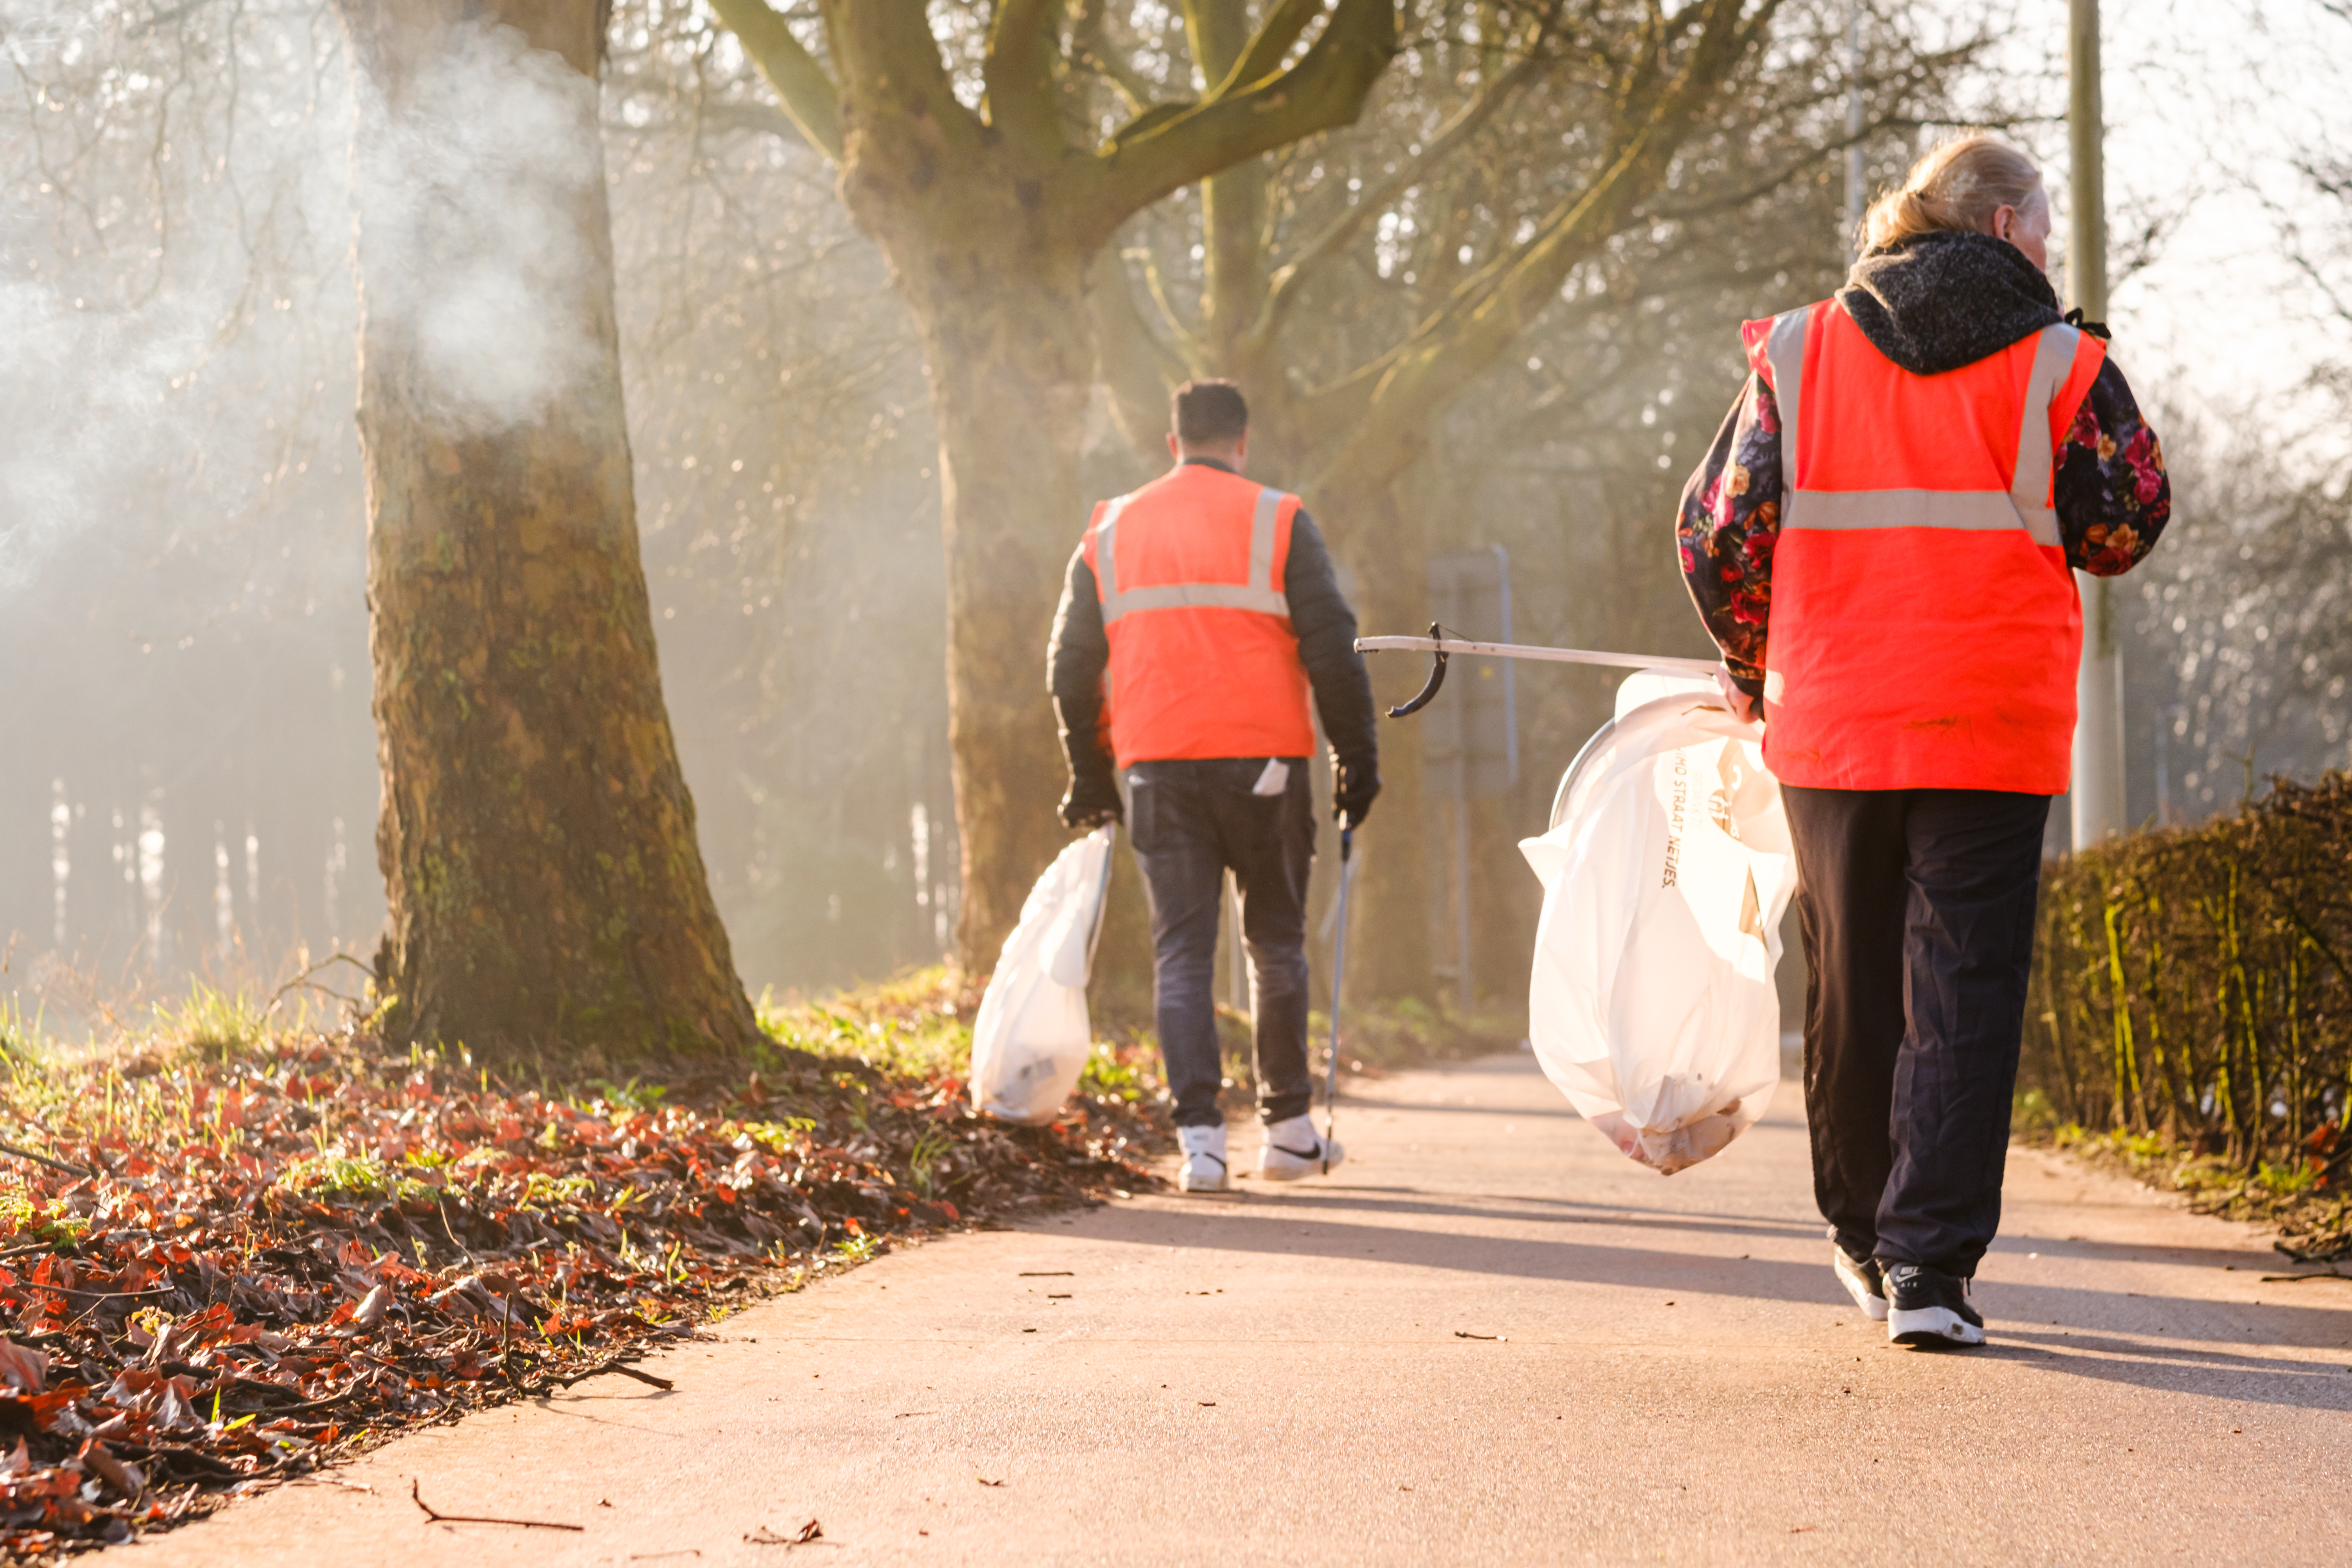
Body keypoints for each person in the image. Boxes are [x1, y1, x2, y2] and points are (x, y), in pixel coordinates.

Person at [1677, 135, 2170, 1347]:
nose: (2051, 250)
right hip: (1989, 717)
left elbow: (1715, 533)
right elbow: (2127, 521)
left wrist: (1755, 664)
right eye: (2044, 228)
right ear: (2005, 229)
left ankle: (1854, 1226)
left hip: (1834, 716)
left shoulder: (1799, 349)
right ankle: (1929, 1270)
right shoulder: (2063, 361)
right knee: (1964, 985)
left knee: (1850, 977)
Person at [1048, 379, 1380, 1193]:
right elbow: (1332, 647)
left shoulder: (1110, 529)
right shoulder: (1279, 519)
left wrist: (1090, 777)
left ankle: (1200, 1144)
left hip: (1155, 764)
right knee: (1274, 945)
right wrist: (1356, 758)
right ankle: (1290, 1132)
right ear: (1242, 441)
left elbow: (1069, 669)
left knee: (1182, 957)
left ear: (1171, 443)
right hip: (1264, 762)